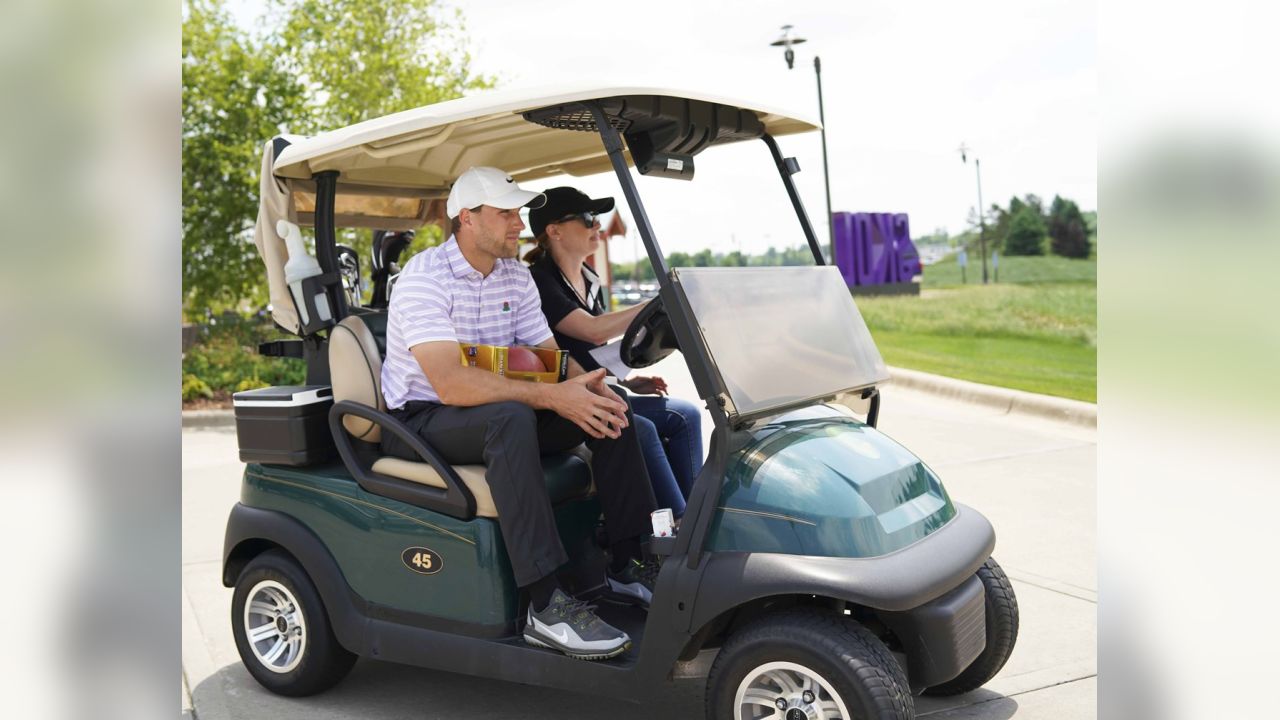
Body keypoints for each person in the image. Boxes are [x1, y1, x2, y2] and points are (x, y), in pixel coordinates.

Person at [379, 167, 658, 661]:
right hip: (421, 420)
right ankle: (545, 605)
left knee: (608, 407)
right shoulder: (424, 278)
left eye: (517, 212)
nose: (518, 224)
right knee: (511, 417)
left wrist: (588, 385)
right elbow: (449, 381)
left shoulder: (514, 276)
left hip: (491, 411)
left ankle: (628, 560)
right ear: (467, 218)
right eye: (506, 213)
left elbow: (547, 359)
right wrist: (554, 397)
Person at [525, 187, 704, 520]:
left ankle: (695, 518)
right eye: (588, 219)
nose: (597, 227)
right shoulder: (539, 281)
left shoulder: (589, 280)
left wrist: (631, 380)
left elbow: (593, 351)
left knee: (687, 414)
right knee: (655, 426)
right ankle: (675, 527)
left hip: (599, 389)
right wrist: (661, 301)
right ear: (554, 230)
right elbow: (592, 330)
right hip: (565, 402)